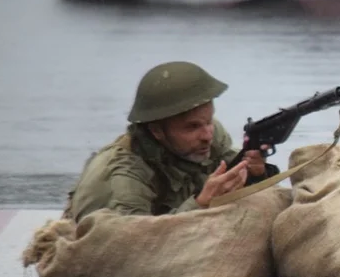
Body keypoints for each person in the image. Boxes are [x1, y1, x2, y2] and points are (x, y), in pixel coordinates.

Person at [63, 61, 279, 222]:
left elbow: (239, 177)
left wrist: (257, 174)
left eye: (208, 121)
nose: (207, 135)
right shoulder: (125, 179)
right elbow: (134, 247)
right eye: (192, 126)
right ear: (157, 130)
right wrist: (201, 204)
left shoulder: (208, 135)